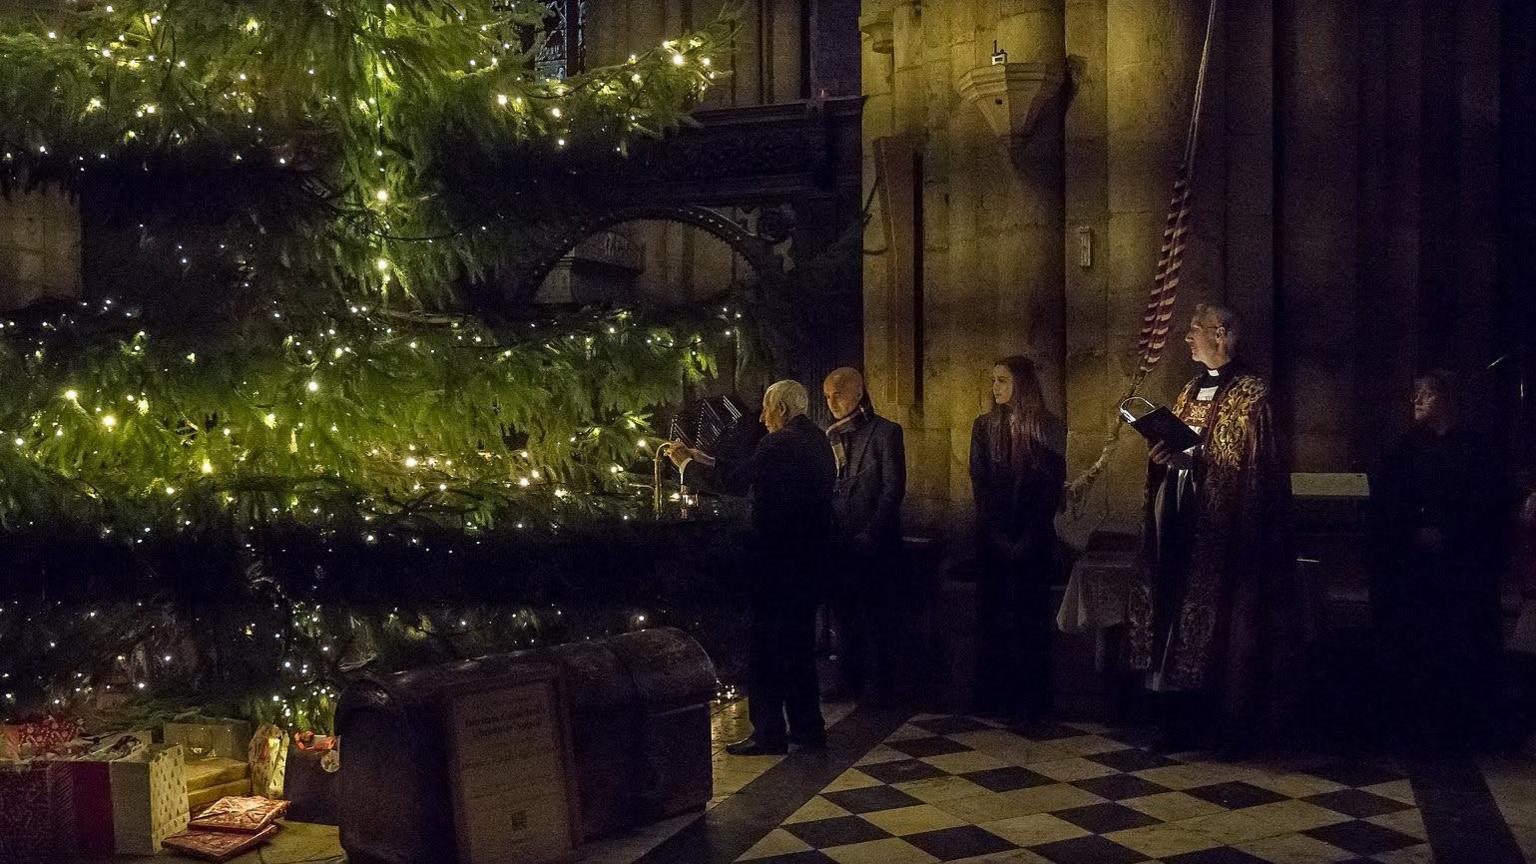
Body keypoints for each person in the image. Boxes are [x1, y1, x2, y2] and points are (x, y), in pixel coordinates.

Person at [1127, 304, 1296, 753]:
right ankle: (1176, 720)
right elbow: (1178, 446)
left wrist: (1196, 463)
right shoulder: (1189, 389)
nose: (1187, 339)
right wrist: (1161, 460)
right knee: (1173, 616)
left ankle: (1224, 724)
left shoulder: (1252, 395)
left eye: (1194, 331)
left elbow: (1256, 470)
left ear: (1220, 334)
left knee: (1222, 625)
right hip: (1181, 520)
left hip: (1225, 531)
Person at [667, 380, 836, 755]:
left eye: (766, 409)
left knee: (765, 651)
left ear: (782, 410)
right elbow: (752, 469)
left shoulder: (778, 442)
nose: (761, 417)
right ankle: (809, 727)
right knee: (798, 649)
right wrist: (705, 457)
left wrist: (686, 465)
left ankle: (769, 733)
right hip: (809, 565)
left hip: (776, 566)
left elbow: (735, 483)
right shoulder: (817, 441)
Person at [1370, 369, 1506, 748]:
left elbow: (1485, 505)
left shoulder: (1476, 449)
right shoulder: (1404, 448)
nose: (1416, 401)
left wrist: (1449, 532)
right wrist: (1414, 529)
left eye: (1426, 395)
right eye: (1415, 394)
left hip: (1458, 564)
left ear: (1446, 399)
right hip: (1413, 564)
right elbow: (1389, 500)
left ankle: (1459, 726)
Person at [969, 355, 1065, 723]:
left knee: (1030, 619)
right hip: (993, 536)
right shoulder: (984, 426)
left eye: (1003, 380)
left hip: (1033, 536)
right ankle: (994, 696)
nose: (996, 388)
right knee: (993, 617)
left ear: (1021, 384)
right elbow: (979, 481)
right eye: (993, 381)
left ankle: (1032, 700)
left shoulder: (1049, 428)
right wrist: (995, 532)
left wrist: (1028, 534)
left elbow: (1050, 485)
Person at [822, 367, 906, 702]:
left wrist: (872, 532)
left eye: (838, 393)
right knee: (844, 616)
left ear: (858, 392)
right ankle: (848, 678)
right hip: (840, 541)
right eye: (827, 396)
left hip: (875, 542)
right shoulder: (831, 436)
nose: (832, 402)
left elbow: (893, 488)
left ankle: (880, 685)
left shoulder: (886, 433)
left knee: (876, 616)